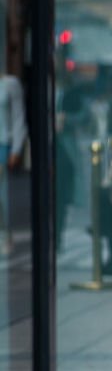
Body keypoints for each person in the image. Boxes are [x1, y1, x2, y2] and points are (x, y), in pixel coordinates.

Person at [0, 73, 27, 256]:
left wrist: (16, 148)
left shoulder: (10, 84)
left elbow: (19, 117)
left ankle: (4, 235)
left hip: (3, 142)